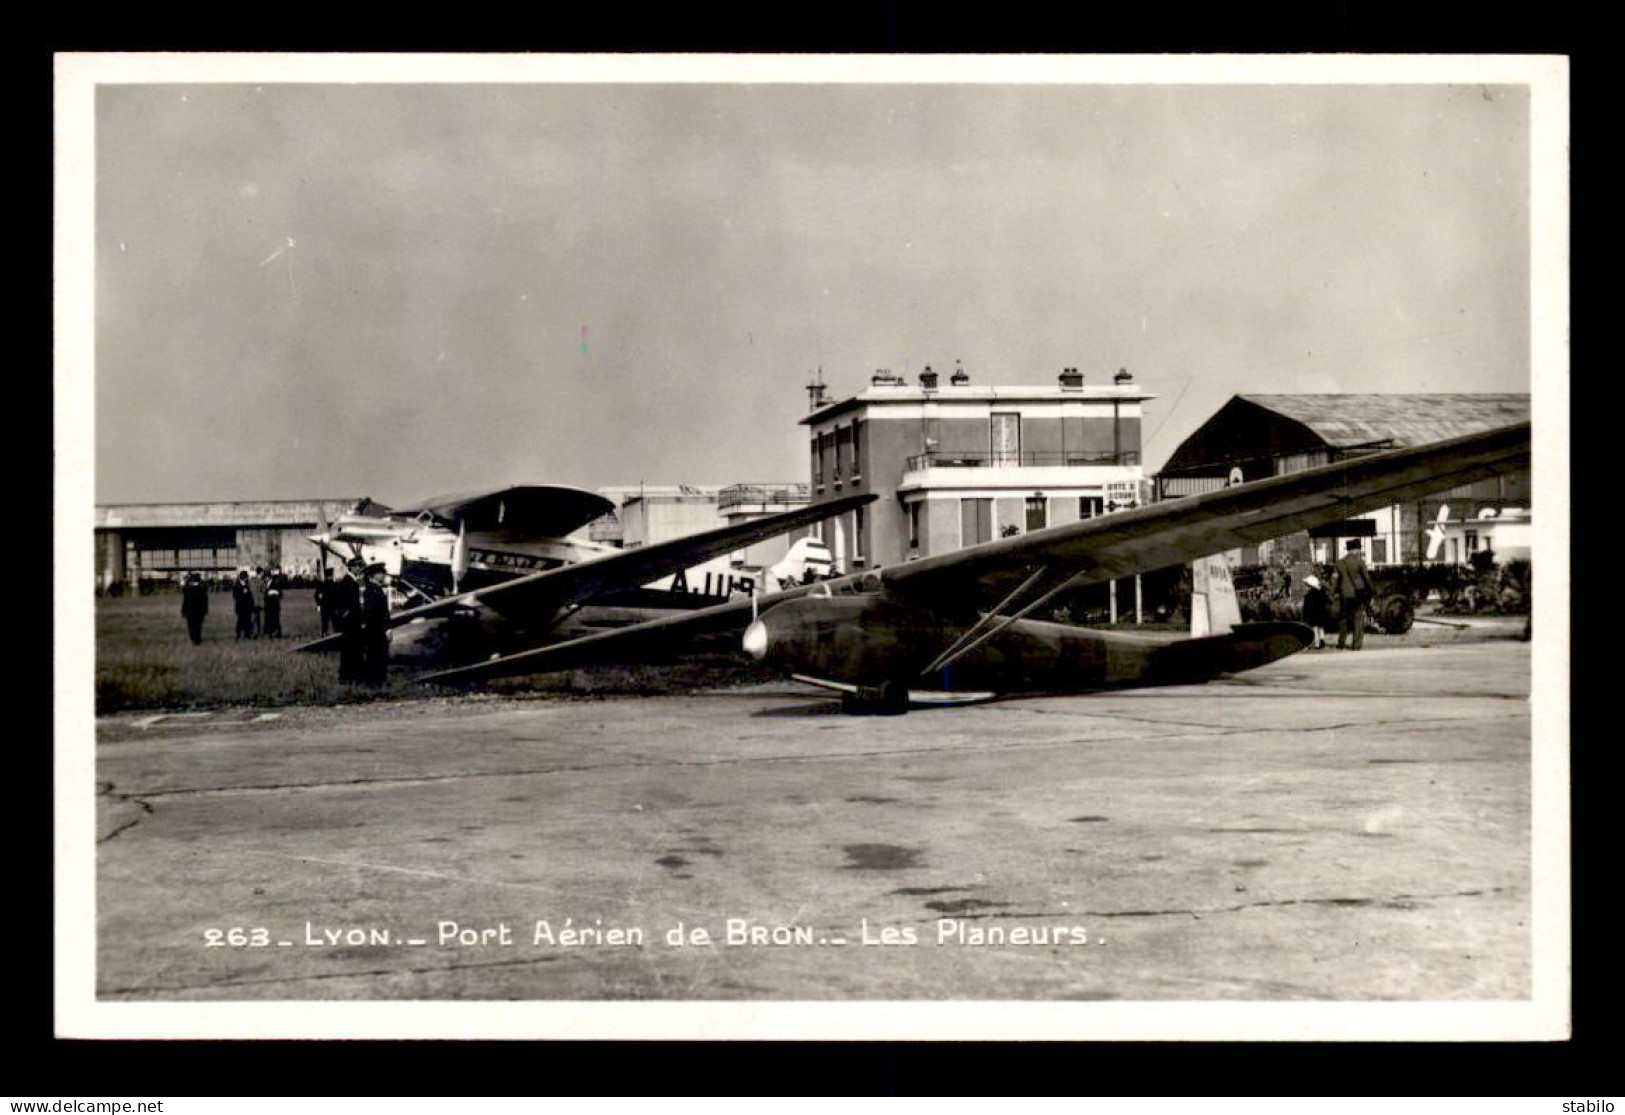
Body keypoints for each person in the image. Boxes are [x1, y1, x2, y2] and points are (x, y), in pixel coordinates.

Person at [1333, 539, 1374, 650]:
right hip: (1358, 594)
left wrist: (1332, 593)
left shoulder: (1339, 563)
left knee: (1343, 619)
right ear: (1356, 550)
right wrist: (1371, 591)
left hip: (1344, 595)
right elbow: (1367, 579)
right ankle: (1356, 645)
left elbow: (1335, 581)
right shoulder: (1360, 562)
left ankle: (1341, 643)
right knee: (1358, 619)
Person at [359, 563, 392, 686]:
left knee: (377, 654)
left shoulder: (374, 589)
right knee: (377, 655)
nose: (383, 575)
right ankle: (376, 681)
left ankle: (376, 680)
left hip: (375, 629)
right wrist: (386, 628)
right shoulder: (373, 590)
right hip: (376, 629)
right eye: (381, 573)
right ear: (374, 575)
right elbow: (378, 612)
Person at [333, 559, 364, 681]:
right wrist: (346, 615)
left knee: (351, 650)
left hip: (352, 621)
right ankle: (348, 676)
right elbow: (344, 603)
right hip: (350, 623)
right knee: (350, 650)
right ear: (351, 567)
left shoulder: (351, 581)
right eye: (358, 566)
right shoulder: (348, 582)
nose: (360, 568)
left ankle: (350, 676)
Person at [1300, 574, 1331, 650]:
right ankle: (1322, 640)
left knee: (1315, 629)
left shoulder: (1308, 595)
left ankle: (1317, 644)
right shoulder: (1321, 593)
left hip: (1312, 615)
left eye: (1306, 585)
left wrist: (1305, 615)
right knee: (1321, 628)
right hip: (1321, 614)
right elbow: (1327, 602)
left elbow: (1306, 607)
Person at [180, 571, 210, 645]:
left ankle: (193, 637)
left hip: (189, 610)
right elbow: (205, 601)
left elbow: (185, 601)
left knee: (191, 625)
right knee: (198, 625)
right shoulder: (202, 588)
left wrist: (183, 611)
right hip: (199, 610)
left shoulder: (188, 589)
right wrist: (205, 610)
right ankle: (197, 638)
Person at [232, 570, 255, 640]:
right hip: (241, 607)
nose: (247, 578)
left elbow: (250, 596)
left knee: (248, 620)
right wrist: (243, 593)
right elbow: (236, 596)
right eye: (246, 577)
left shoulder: (246, 585)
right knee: (241, 620)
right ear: (243, 577)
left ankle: (247, 634)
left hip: (248, 606)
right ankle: (239, 634)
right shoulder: (237, 585)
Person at [314, 567, 337, 635]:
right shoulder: (334, 585)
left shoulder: (321, 585)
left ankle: (324, 635)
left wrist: (318, 606)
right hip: (332, 608)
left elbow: (316, 596)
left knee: (325, 624)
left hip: (324, 607)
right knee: (334, 624)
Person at [263, 568, 284, 638]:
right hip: (268, 605)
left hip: (274, 605)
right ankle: (270, 632)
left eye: (265, 577)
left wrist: (274, 592)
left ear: (268, 577)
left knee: (275, 619)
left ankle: (278, 633)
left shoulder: (275, 583)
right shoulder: (266, 585)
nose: (264, 579)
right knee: (269, 619)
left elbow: (280, 594)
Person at [249, 566, 268, 636]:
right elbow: (264, 591)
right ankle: (259, 632)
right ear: (261, 572)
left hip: (252, 601)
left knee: (254, 618)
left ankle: (252, 631)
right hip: (259, 602)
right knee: (259, 618)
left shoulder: (251, 580)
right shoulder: (261, 582)